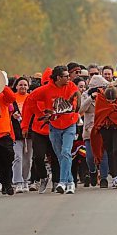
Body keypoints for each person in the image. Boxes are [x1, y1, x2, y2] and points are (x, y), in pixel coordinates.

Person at [22, 66, 81, 194]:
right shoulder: (46, 90)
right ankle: (70, 182)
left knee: (66, 152)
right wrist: (39, 115)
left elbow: (75, 100)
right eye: (66, 76)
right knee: (60, 155)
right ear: (58, 78)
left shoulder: (71, 86)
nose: (69, 78)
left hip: (69, 124)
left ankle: (62, 182)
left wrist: (70, 108)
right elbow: (30, 100)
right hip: (53, 127)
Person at [93, 86, 117, 188]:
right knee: (109, 151)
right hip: (105, 127)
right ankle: (114, 176)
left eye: (113, 100)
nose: (110, 103)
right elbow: (99, 113)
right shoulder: (100, 98)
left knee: (116, 150)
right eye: (108, 100)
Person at [79, 74, 109, 188]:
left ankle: (104, 178)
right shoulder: (85, 95)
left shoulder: (107, 95)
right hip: (89, 130)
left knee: (103, 154)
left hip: (103, 128)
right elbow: (81, 110)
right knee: (90, 156)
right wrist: (90, 98)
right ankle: (92, 171)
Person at [11, 77, 33, 193]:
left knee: (28, 159)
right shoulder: (12, 98)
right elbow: (7, 111)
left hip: (29, 132)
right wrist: (12, 115)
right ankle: (17, 182)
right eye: (20, 84)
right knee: (17, 157)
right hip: (16, 132)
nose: (23, 87)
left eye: (25, 85)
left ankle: (26, 180)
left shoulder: (31, 98)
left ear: (28, 87)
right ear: (16, 86)